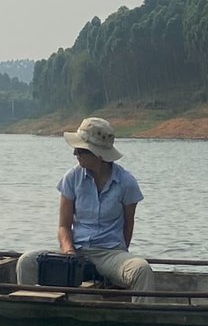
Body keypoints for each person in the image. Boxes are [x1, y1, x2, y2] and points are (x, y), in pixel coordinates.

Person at [16, 117, 153, 291]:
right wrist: (69, 252)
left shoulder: (126, 182)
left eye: (81, 151)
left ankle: (138, 316)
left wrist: (120, 254)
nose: (76, 155)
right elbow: (64, 226)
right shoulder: (72, 178)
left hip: (110, 254)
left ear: (99, 155)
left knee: (142, 270)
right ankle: (29, 310)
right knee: (26, 261)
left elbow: (128, 224)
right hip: (76, 250)